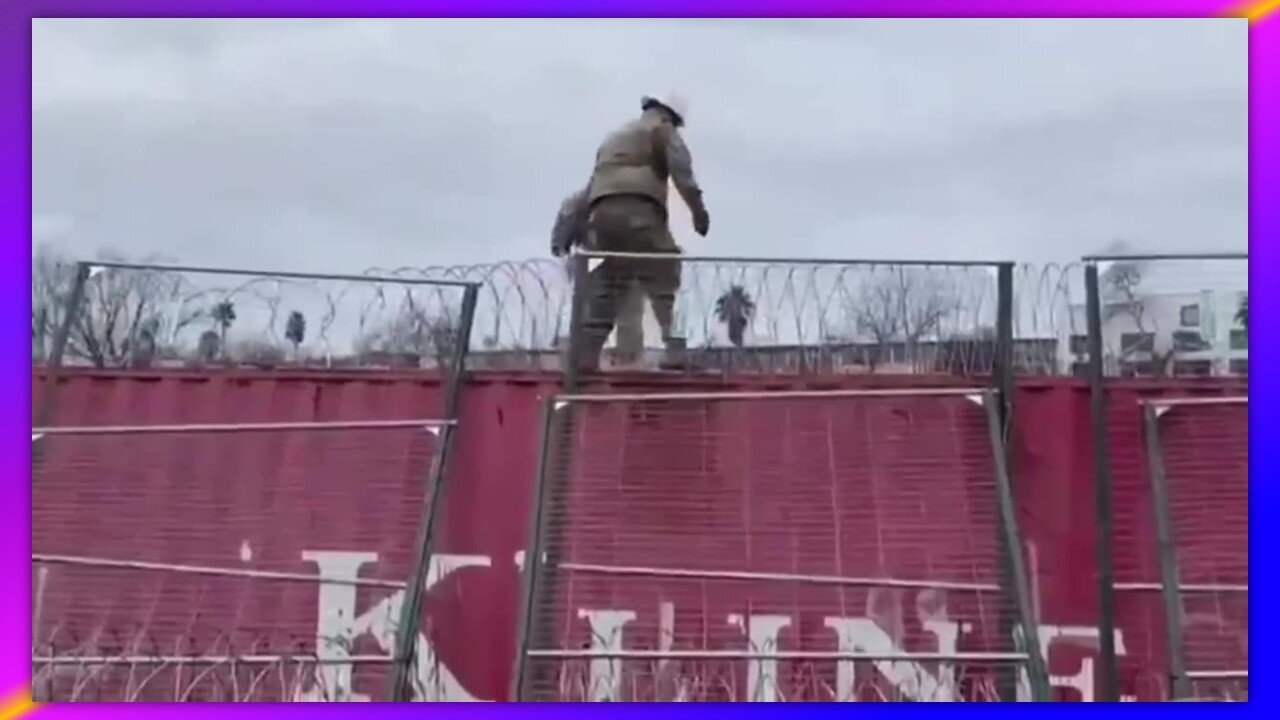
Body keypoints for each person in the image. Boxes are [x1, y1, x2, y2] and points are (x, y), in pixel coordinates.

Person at [572, 93, 710, 372]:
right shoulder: (662, 129)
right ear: (671, 116)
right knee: (667, 276)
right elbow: (682, 172)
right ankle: (676, 352)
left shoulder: (613, 139)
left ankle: (585, 359)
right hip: (639, 211)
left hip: (601, 216)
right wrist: (699, 213)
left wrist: (572, 226)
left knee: (607, 286)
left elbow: (590, 187)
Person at [550, 182, 683, 366]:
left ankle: (610, 358)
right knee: (601, 308)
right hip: (600, 258)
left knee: (611, 309)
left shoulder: (591, 197)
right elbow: (563, 233)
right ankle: (611, 357)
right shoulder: (593, 197)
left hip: (606, 257)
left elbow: (560, 239)